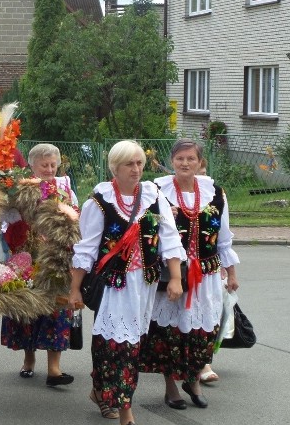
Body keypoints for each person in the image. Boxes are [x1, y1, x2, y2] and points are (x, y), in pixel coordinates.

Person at [68, 140, 185, 425]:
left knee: (132, 345)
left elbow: (169, 238)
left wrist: (176, 278)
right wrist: (74, 288)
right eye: (129, 164)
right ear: (114, 168)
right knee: (115, 347)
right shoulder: (99, 202)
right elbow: (86, 249)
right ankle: (125, 412)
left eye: (139, 163)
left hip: (144, 285)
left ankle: (102, 391)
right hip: (114, 285)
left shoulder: (154, 197)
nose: (136, 169)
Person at [139, 139, 240, 410]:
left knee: (203, 332)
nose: (185, 163)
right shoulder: (157, 190)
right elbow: (140, 227)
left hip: (206, 275)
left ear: (200, 162)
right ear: (172, 161)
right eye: (180, 158)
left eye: (191, 159)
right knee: (168, 333)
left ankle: (192, 380)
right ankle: (171, 387)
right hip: (172, 275)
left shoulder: (215, 192)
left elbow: (224, 237)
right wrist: (159, 217)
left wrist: (231, 274)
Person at [1, 143, 78, 386]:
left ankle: (54, 368)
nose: (50, 169)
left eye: (53, 164)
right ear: (32, 166)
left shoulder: (65, 187)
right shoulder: (21, 188)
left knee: (57, 309)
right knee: (29, 310)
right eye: (44, 164)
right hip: (29, 256)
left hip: (57, 257)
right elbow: (7, 219)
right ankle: (29, 358)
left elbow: (76, 216)